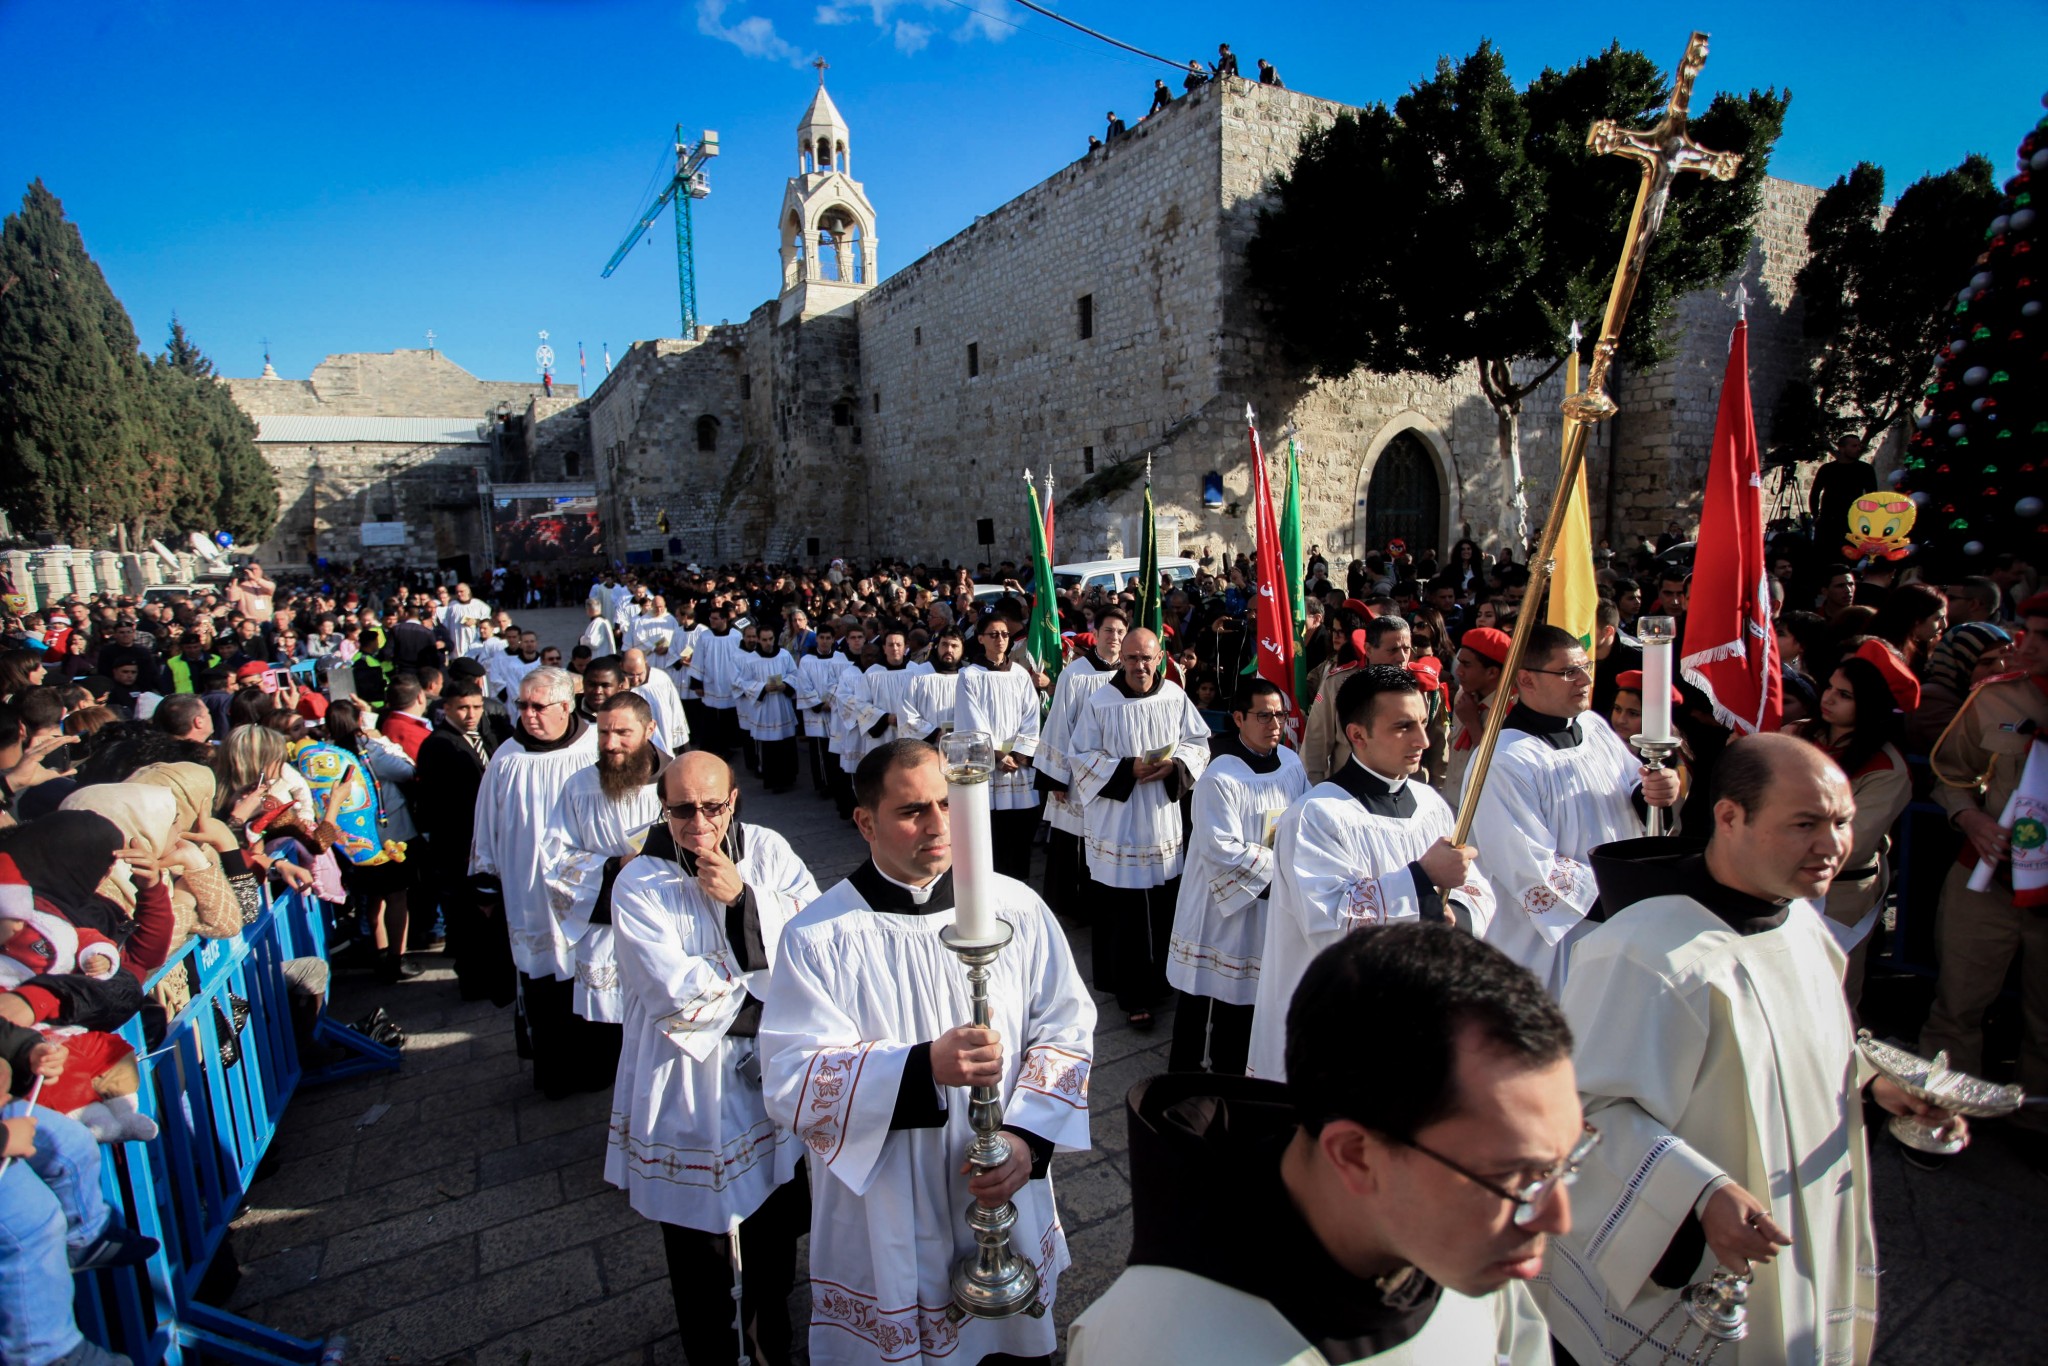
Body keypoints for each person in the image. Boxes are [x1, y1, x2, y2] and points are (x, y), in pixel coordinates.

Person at [1539, 734, 1965, 1366]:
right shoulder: (1646, 952)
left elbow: (1801, 1045)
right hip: (1692, 1264)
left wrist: (1875, 1084)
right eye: (1805, 824)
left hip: (1801, 1219)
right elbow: (1575, 1112)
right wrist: (1699, 1191)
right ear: (1729, 816)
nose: (1832, 846)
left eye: (1843, 823)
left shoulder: (1798, 921)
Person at [1069, 925, 1566, 1364]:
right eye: (1510, 1174)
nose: (1559, 1217)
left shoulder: (1471, 1251)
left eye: (1562, 1163)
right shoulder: (1158, 1344)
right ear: (1354, 1154)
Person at [760, 740, 1096, 1366]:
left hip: (1001, 1188)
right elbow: (789, 1080)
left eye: (947, 803)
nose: (939, 825)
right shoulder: (818, 936)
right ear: (866, 822)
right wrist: (918, 1069)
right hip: (886, 1201)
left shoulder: (1016, 906)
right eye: (913, 810)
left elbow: (1067, 1025)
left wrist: (1025, 1139)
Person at [608, 750, 820, 1366]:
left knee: (773, 1218)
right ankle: (710, 1346)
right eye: (681, 810)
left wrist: (744, 899)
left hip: (764, 1076)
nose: (698, 821)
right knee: (700, 1240)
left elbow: (818, 933)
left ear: (734, 800)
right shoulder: (639, 881)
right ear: (663, 809)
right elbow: (673, 989)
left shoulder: (771, 852)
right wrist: (778, 1010)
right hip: (687, 1080)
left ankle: (767, 1329)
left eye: (712, 805)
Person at [1249, 667, 1492, 1081]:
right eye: (1403, 727)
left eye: (1421, 723)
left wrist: (1457, 918)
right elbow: (1330, 924)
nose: (1423, 741)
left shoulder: (1429, 802)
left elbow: (1472, 884)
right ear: (1357, 735)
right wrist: (1421, 881)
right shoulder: (1316, 815)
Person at [1465, 625, 1678, 995]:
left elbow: (1631, 795)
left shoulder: (1594, 727)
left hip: (1618, 924)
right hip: (1549, 945)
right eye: (1568, 672)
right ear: (1527, 680)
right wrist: (1629, 897)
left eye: (1585, 668)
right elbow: (1530, 865)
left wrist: (1658, 792)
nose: (1584, 680)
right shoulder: (1503, 760)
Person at [1920, 591, 2048, 1169]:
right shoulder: (1999, 698)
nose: (2029, 646)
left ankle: (2037, 1121)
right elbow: (1950, 772)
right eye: (2030, 633)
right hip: (1988, 882)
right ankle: (1938, 1117)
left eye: (2044, 638)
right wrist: (1968, 816)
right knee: (1959, 1006)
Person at [1068, 626, 1213, 1030]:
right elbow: (1079, 757)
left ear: (1160, 656)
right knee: (1124, 914)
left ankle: (1164, 980)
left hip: (1162, 821)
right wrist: (1125, 768)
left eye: (1146, 658)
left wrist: (1176, 765)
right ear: (1122, 660)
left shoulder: (1174, 696)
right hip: (1118, 824)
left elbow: (1198, 742)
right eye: (1131, 658)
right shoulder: (1100, 702)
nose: (1139, 666)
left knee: (1164, 904)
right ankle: (1130, 993)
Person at [469, 666, 601, 1098]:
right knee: (544, 985)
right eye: (522, 706)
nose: (527, 715)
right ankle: (557, 1075)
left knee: (595, 980)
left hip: (589, 893)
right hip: (529, 895)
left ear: (566, 706)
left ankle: (603, 1068)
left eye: (537, 706)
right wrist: (485, 878)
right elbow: (486, 825)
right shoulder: (507, 758)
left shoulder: (597, 746)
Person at [1165, 679, 1308, 1077]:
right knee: (1211, 1002)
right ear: (1239, 718)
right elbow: (1221, 848)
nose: (1274, 724)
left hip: (1266, 904)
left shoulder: (1292, 765)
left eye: (1279, 714)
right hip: (1221, 911)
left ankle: (1240, 1076)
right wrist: (1284, 871)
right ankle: (1190, 1088)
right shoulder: (1220, 777)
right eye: (1263, 716)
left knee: (1251, 1002)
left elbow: (1307, 823)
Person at [542, 692, 668, 1045]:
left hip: (669, 921)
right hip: (607, 922)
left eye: (623, 733)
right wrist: (612, 867)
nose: (610, 744)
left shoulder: (677, 779)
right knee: (613, 1033)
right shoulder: (579, 786)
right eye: (603, 733)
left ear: (650, 729)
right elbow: (555, 857)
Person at [1786, 656, 1911, 1006]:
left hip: (1840, 892)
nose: (1828, 698)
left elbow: (1851, 843)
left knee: (1831, 994)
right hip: (1779, 878)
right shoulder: (1795, 735)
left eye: (1845, 695)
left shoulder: (1886, 767)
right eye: (1829, 687)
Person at [414, 681, 507, 1003]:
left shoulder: (485, 736)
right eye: (463, 708)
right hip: (457, 846)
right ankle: (472, 980)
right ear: (446, 709)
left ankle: (486, 974)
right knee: (465, 918)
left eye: (476, 707)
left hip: (484, 842)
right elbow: (436, 803)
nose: (471, 714)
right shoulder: (438, 745)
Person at [1034, 608, 1127, 920]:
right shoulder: (1076, 674)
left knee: (1106, 837)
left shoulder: (1130, 673)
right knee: (1071, 842)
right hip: (1077, 772)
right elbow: (1059, 723)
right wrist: (1056, 779)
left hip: (1114, 772)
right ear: (1096, 634)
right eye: (1108, 631)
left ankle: (1098, 903)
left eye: (1119, 632)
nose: (1114, 638)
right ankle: (1065, 906)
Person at [954, 615, 1041, 880]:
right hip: (991, 764)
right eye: (993, 634)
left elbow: (1031, 714)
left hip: (1019, 764)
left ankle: (1021, 881)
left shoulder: (1020, 675)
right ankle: (993, 881)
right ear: (980, 639)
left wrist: (1019, 753)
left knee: (1021, 828)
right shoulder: (969, 675)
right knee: (993, 830)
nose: (1000, 639)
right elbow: (971, 720)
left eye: (1004, 634)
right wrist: (998, 755)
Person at [1442, 626, 1508, 798]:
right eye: (1459, 662)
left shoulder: (1510, 711)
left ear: (1492, 672)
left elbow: (1497, 766)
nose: (1458, 672)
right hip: (1453, 798)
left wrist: (1472, 723)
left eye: (1466, 665)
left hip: (1482, 805)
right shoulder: (1463, 695)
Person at [793, 621, 857, 799]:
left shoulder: (841, 659)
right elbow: (804, 685)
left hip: (836, 711)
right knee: (820, 749)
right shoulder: (807, 660)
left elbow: (845, 683)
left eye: (828, 638)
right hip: (818, 712)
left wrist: (835, 703)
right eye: (821, 638)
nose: (824, 641)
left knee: (836, 749)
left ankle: (837, 782)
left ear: (833, 640)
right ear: (817, 639)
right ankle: (823, 784)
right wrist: (820, 705)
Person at [735, 625, 799, 793]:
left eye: (770, 639)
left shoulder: (784, 655)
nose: (768, 643)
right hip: (764, 708)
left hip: (782, 704)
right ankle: (773, 780)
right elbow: (744, 682)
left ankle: (788, 777)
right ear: (758, 639)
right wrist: (763, 688)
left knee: (786, 742)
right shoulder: (751, 660)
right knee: (769, 746)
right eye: (764, 640)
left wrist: (786, 685)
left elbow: (795, 674)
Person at [855, 627, 932, 759]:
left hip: (910, 734)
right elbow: (861, 704)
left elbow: (926, 702)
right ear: (884, 648)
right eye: (890, 645)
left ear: (905, 647)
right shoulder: (872, 674)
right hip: (882, 735)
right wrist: (886, 718)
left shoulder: (916, 671)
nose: (895, 648)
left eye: (898, 644)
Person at [688, 604, 746, 759]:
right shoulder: (705, 636)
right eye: (710, 618)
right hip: (711, 682)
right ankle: (712, 747)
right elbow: (698, 660)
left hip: (730, 683)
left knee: (729, 716)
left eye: (715, 619)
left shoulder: (736, 636)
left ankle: (728, 747)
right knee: (711, 716)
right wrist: (697, 684)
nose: (711, 621)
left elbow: (742, 660)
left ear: (725, 619)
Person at [1808, 434, 1876, 558]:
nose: (1857, 449)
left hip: (1853, 521)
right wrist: (1816, 515)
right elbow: (1815, 492)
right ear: (1842, 448)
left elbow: (1872, 495)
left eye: (1858, 446)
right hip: (1828, 521)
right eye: (1853, 446)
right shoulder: (1827, 469)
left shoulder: (1865, 469)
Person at [894, 628, 964, 743]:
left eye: (954, 646)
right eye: (944, 644)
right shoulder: (917, 675)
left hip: (960, 746)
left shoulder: (968, 678)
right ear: (937, 646)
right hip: (926, 746)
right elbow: (906, 713)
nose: (949, 650)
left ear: (962, 649)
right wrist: (935, 733)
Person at [623, 647, 690, 754]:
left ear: (646, 664)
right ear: (622, 667)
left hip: (662, 744)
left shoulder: (661, 680)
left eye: (639, 674)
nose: (635, 680)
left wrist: (680, 744)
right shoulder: (619, 685)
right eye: (630, 674)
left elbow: (676, 712)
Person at [439, 582, 491, 657]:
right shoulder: (452, 606)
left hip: (474, 639)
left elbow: (488, 621)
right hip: (457, 640)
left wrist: (476, 621)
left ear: (468, 591)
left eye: (461, 591)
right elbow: (446, 623)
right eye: (457, 592)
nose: (459, 594)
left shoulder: (479, 605)